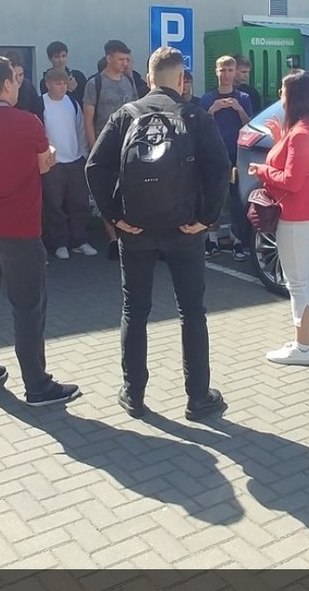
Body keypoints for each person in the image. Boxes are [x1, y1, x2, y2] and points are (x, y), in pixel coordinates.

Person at [86, 46, 230, 421]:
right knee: (192, 312)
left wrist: (114, 217)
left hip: (135, 229)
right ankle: (198, 397)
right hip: (185, 229)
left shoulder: (125, 115)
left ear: (148, 79)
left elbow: (95, 167)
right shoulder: (196, 116)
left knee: (134, 311)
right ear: (181, 79)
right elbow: (219, 170)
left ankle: (134, 394)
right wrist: (206, 219)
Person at [0, 56, 80, 407]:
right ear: (6, 84)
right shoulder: (27, 122)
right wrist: (48, 153)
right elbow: (44, 163)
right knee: (28, 307)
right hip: (18, 226)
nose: (18, 84)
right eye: (14, 79)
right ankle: (37, 384)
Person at [250, 70, 309, 366]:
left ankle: (302, 348)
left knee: (297, 282)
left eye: (283, 91)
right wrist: (280, 139)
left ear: (294, 97)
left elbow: (291, 180)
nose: (280, 96)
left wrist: (262, 170)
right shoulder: (308, 128)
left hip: (295, 215)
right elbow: (297, 164)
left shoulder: (300, 133)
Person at [82, 39, 147, 260]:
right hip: (105, 146)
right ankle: (112, 239)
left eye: (127, 59)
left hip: (128, 147)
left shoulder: (129, 81)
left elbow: (137, 113)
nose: (125, 63)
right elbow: (88, 119)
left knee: (130, 191)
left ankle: (131, 235)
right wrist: (94, 149)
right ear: (108, 58)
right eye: (121, 59)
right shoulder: (95, 84)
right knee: (107, 192)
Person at [198, 55, 256, 261]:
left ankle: (237, 239)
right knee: (215, 197)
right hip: (214, 154)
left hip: (236, 155)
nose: (226, 74)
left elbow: (250, 125)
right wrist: (212, 110)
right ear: (216, 72)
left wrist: (238, 109)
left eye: (230, 70)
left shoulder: (243, 97)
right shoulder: (207, 98)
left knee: (237, 199)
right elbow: (200, 127)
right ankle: (212, 239)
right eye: (223, 70)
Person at [37, 67, 96, 261]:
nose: (62, 87)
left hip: (75, 160)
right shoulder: (40, 104)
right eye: (57, 84)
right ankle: (59, 242)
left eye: (64, 83)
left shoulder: (72, 102)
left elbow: (80, 129)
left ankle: (80, 240)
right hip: (53, 163)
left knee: (79, 203)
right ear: (48, 84)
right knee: (54, 205)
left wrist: (83, 154)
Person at [7, 49, 45, 116]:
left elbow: (38, 112)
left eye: (21, 75)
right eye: (14, 76)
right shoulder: (1, 89)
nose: (18, 79)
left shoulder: (28, 87)